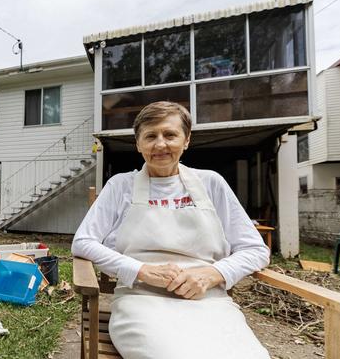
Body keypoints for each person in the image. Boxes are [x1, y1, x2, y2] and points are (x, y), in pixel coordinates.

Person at [71, 101, 270, 359]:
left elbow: (255, 250)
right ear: (138, 144)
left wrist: (212, 274)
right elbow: (83, 242)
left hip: (209, 303)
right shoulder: (120, 185)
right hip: (140, 301)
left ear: (186, 140)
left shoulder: (211, 183)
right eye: (150, 136)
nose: (160, 144)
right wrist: (140, 270)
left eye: (170, 135)